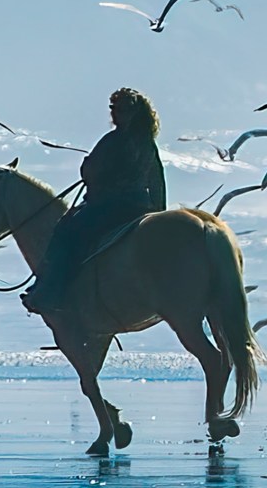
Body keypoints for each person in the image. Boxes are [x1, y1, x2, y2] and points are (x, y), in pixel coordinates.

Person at [22, 88, 168, 317]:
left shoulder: (115, 140)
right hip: (141, 206)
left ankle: (51, 293)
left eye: (120, 110)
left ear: (132, 112)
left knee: (66, 230)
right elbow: (157, 180)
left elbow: (93, 172)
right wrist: (159, 214)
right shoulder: (146, 142)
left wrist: (88, 166)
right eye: (114, 109)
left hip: (111, 205)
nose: (117, 114)